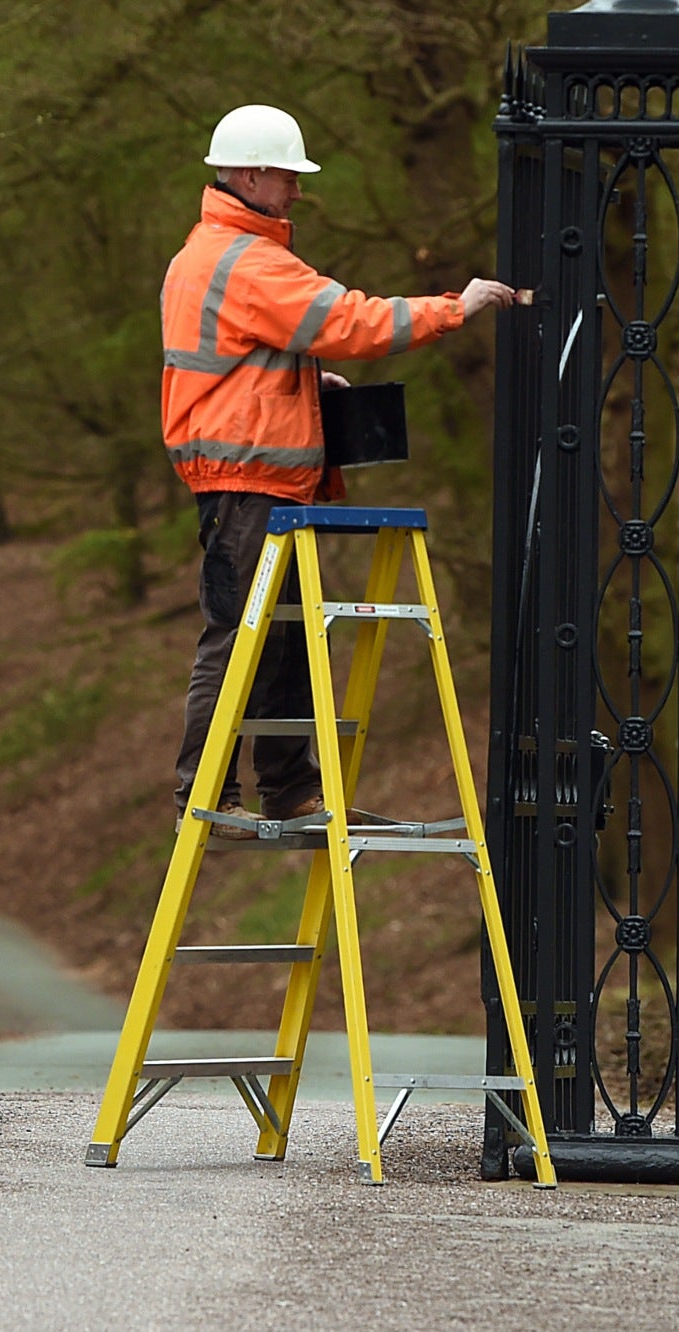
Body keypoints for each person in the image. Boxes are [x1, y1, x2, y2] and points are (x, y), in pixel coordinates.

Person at [162, 104, 522, 823]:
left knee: (282, 637)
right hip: (249, 478)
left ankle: (287, 790)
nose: (297, 192)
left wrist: (299, 379)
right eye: (289, 177)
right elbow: (351, 321)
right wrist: (456, 307)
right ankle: (207, 796)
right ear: (254, 173)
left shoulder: (209, 252)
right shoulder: (249, 260)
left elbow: (241, 356)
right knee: (241, 639)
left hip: (254, 477)